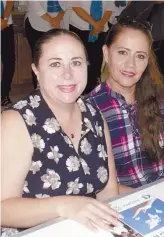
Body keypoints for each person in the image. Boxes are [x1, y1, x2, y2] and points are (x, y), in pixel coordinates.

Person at [1, 29, 123, 236]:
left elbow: (109, 191)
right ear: (36, 70)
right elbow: (2, 208)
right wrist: (64, 206)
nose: (68, 74)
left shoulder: (95, 116)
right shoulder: (16, 122)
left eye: (76, 62)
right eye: (55, 64)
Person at [86, 17, 164, 189]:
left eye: (140, 56)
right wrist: (148, 199)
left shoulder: (161, 98)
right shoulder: (88, 110)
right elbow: (94, 181)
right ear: (106, 53)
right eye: (122, 52)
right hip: (119, 204)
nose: (130, 64)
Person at [68, 0, 114, 94]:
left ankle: (93, 94)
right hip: (80, 28)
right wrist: (95, 24)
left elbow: (109, 8)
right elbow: (76, 6)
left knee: (95, 63)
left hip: (101, 29)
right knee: (78, 62)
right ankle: (77, 92)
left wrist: (99, 26)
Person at [25, 1, 66, 90]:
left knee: (57, 59)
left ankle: (55, 88)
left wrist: (57, 19)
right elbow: (35, 5)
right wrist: (52, 20)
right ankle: (39, 90)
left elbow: (66, 3)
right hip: (36, 25)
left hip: (57, 24)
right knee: (39, 59)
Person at [1, 0, 15, 106]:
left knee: (9, 62)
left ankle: (4, 94)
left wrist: (4, 19)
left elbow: (10, 2)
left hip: (6, 26)